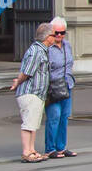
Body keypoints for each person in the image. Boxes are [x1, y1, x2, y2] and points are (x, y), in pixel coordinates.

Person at [10, 23, 52, 163]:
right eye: (54, 35)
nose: (57, 37)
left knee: (33, 124)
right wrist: (17, 82)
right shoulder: (36, 51)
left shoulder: (42, 50)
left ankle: (32, 150)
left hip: (37, 93)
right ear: (47, 37)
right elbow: (26, 72)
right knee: (28, 123)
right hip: (30, 92)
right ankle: (26, 152)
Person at [43, 17, 76, 159]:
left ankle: (61, 147)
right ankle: (50, 148)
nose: (59, 36)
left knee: (64, 116)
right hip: (52, 87)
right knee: (54, 116)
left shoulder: (67, 45)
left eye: (62, 33)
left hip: (67, 84)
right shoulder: (47, 47)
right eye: (56, 33)